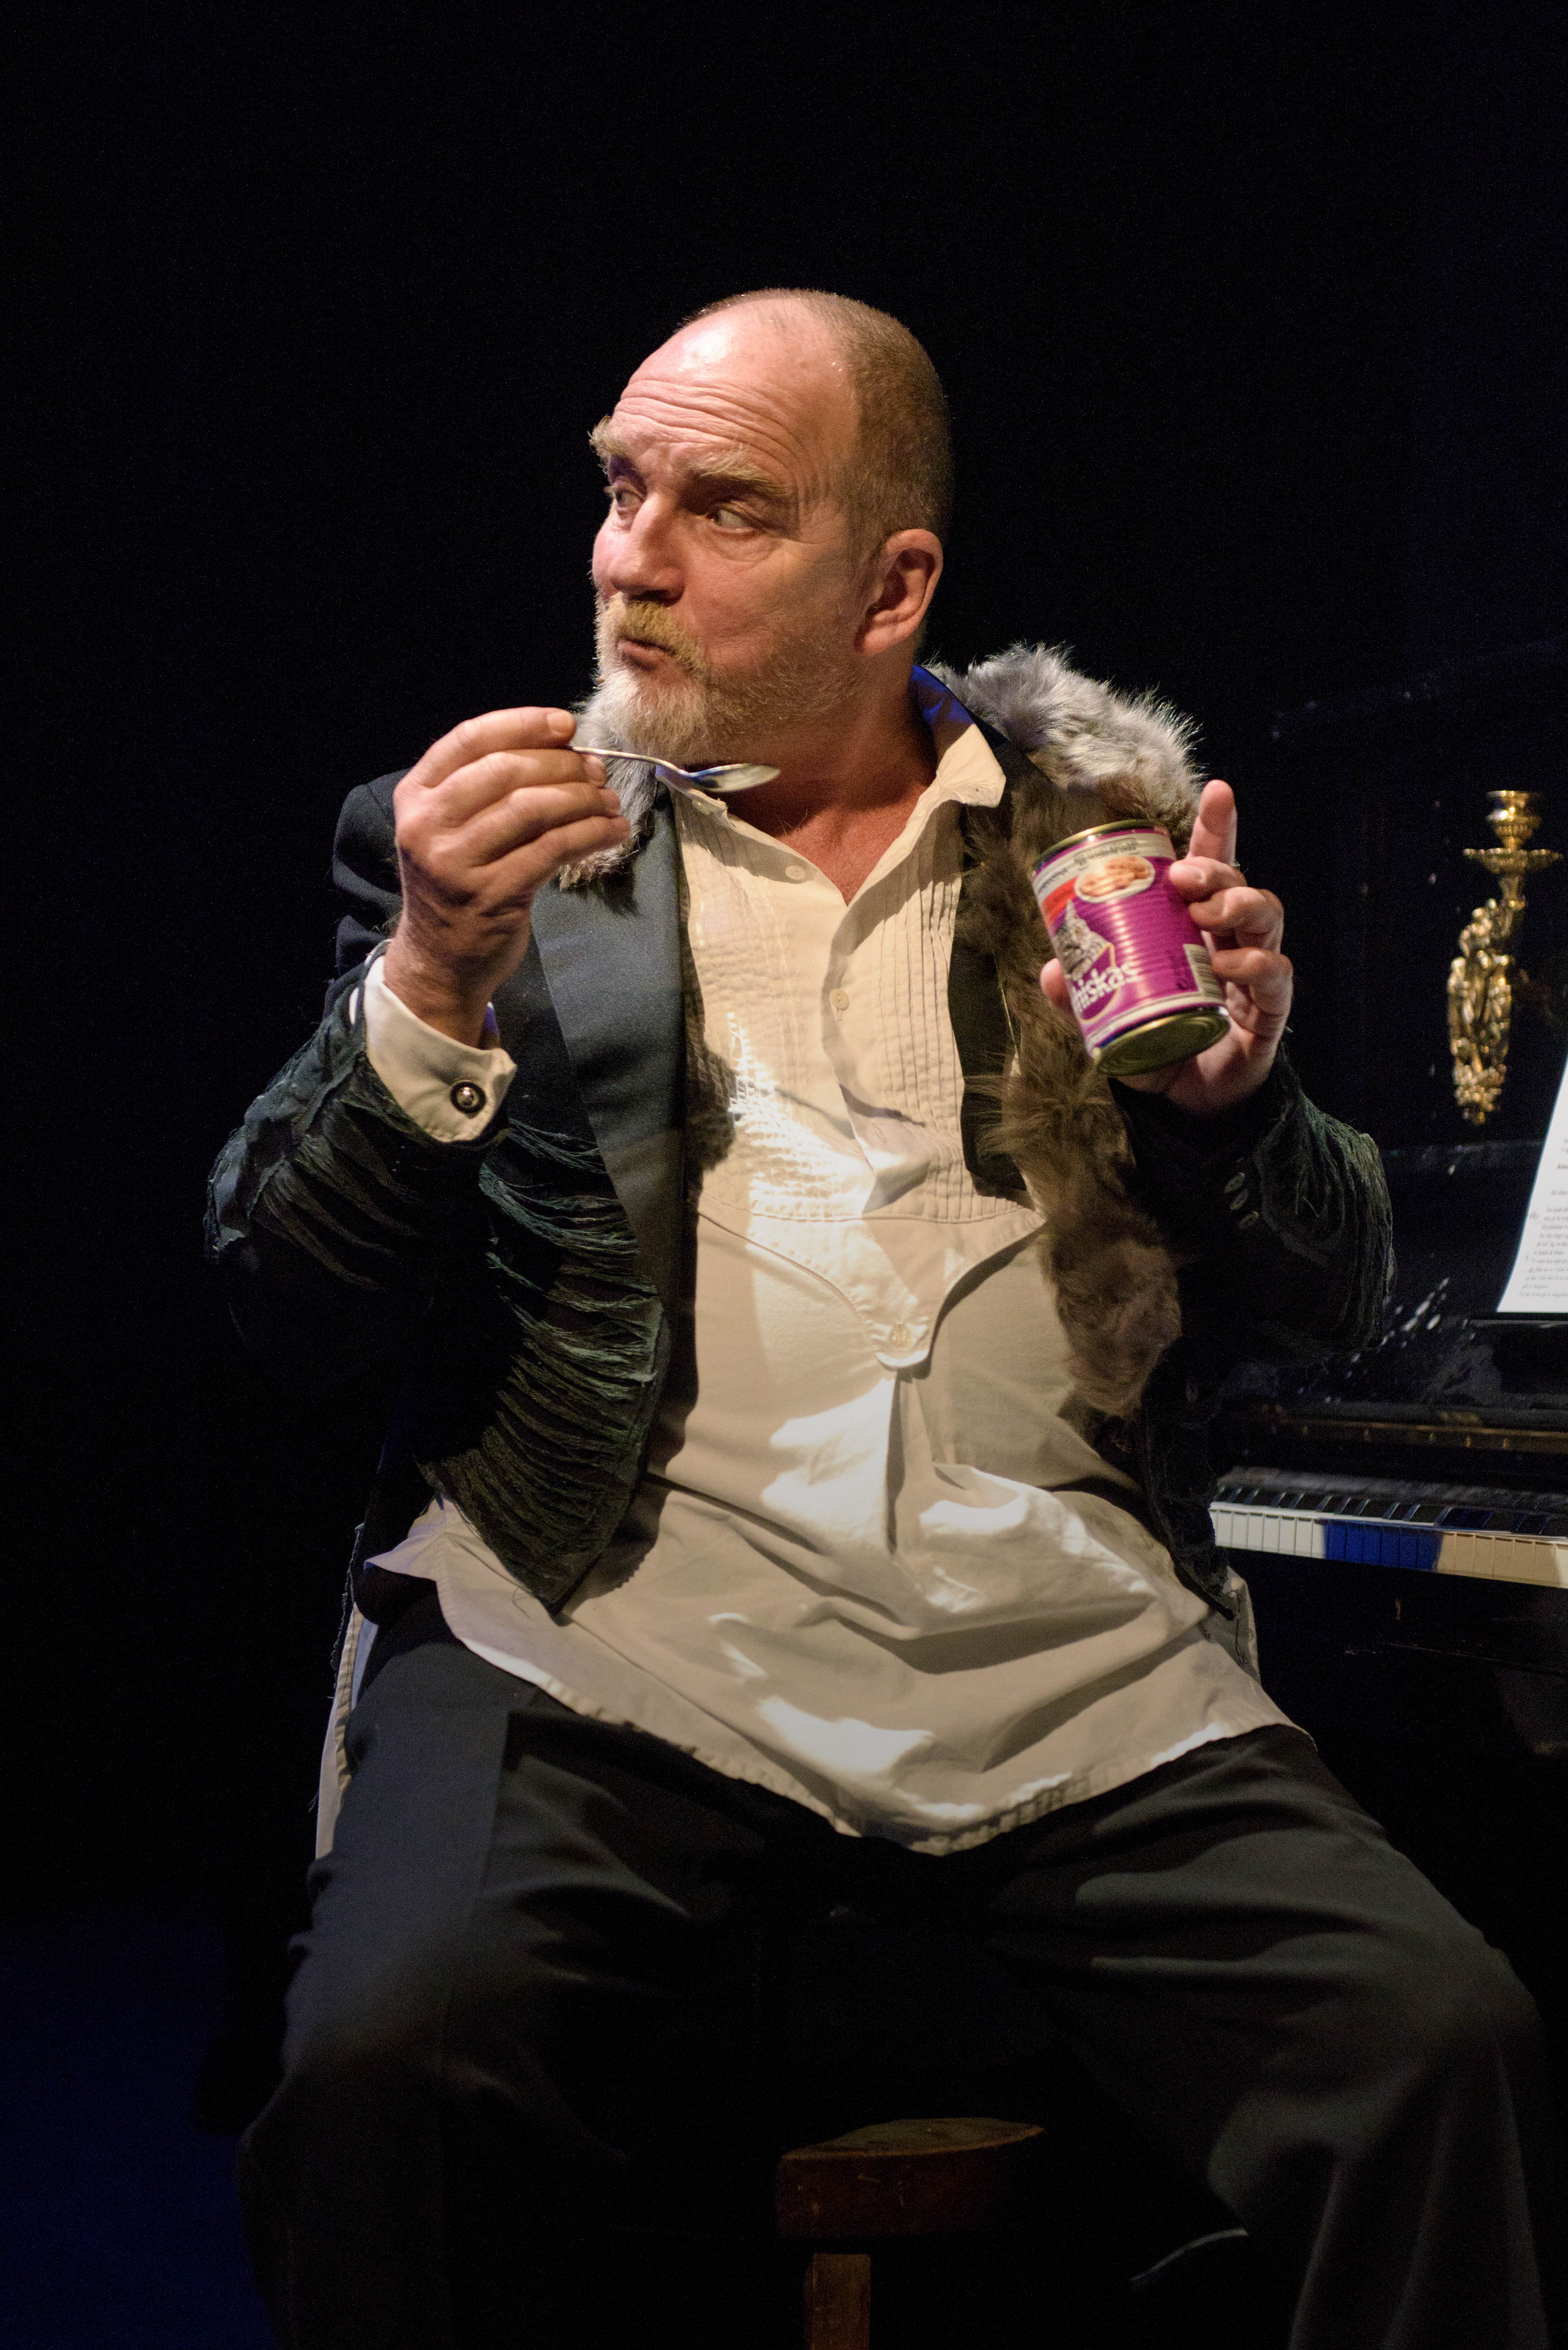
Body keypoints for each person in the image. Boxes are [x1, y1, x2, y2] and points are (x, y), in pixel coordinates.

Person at [209, 290, 1564, 2349]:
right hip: (605, 1647)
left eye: (723, 509)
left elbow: (1330, 1293)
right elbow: (283, 1301)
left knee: (1441, 2045)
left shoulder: (1089, 849)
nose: (630, 557)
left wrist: (1232, 1109)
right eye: (620, 488)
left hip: (1059, 1660)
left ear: (891, 583)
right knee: (391, 2062)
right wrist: (426, 980)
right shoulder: (496, 858)